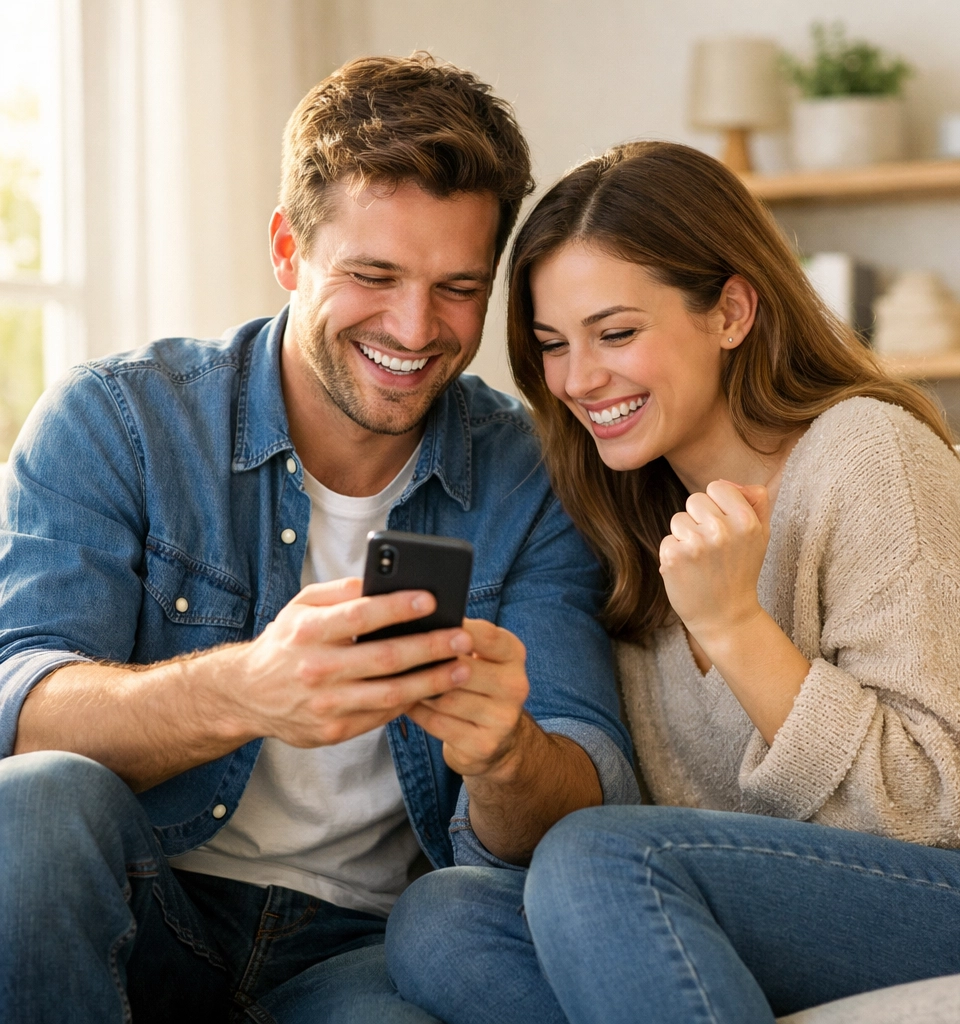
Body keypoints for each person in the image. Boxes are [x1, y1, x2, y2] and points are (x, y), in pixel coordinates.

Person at [0, 57, 638, 1024]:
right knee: (36, 805)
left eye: (457, 287)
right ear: (287, 250)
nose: (415, 329)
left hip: (363, 954)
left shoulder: (531, 477)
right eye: (373, 275)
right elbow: (18, 713)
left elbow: (585, 786)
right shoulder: (118, 420)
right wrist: (244, 688)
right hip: (145, 903)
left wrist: (507, 754)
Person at [386, 141, 960, 1024]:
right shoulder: (626, 515)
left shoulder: (870, 457)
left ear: (730, 311)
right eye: (551, 346)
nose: (580, 379)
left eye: (616, 333)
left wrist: (733, 626)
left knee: (600, 857)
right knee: (444, 916)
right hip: (766, 911)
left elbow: (932, 804)